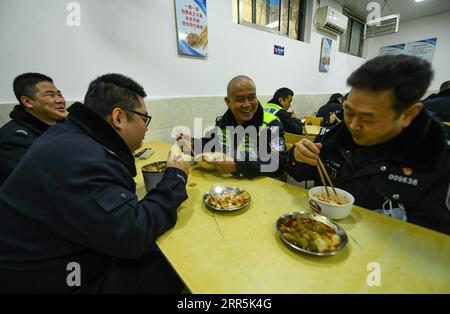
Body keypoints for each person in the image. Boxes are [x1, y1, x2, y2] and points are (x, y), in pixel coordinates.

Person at [0, 74, 189, 293]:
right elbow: (133, 234)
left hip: (55, 258)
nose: (146, 128)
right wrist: (175, 176)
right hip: (51, 279)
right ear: (118, 118)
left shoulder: (70, 135)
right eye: (144, 119)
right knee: (174, 264)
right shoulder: (83, 161)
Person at [286, 55, 450, 235]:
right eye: (348, 112)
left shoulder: (436, 157)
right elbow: (301, 173)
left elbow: (436, 238)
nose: (353, 125)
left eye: (368, 118)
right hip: (324, 235)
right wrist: (297, 156)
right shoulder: (338, 135)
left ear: (409, 114)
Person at [181, 75, 286, 179]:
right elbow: (213, 144)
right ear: (228, 102)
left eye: (251, 98)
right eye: (240, 99)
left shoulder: (272, 126)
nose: (247, 104)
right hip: (226, 186)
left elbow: (279, 163)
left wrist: (236, 166)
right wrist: (193, 144)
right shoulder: (224, 121)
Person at [0, 73, 67, 185]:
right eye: (50, 95)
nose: (60, 100)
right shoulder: (12, 140)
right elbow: (32, 183)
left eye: (59, 95)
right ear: (27, 102)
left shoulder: (65, 127)